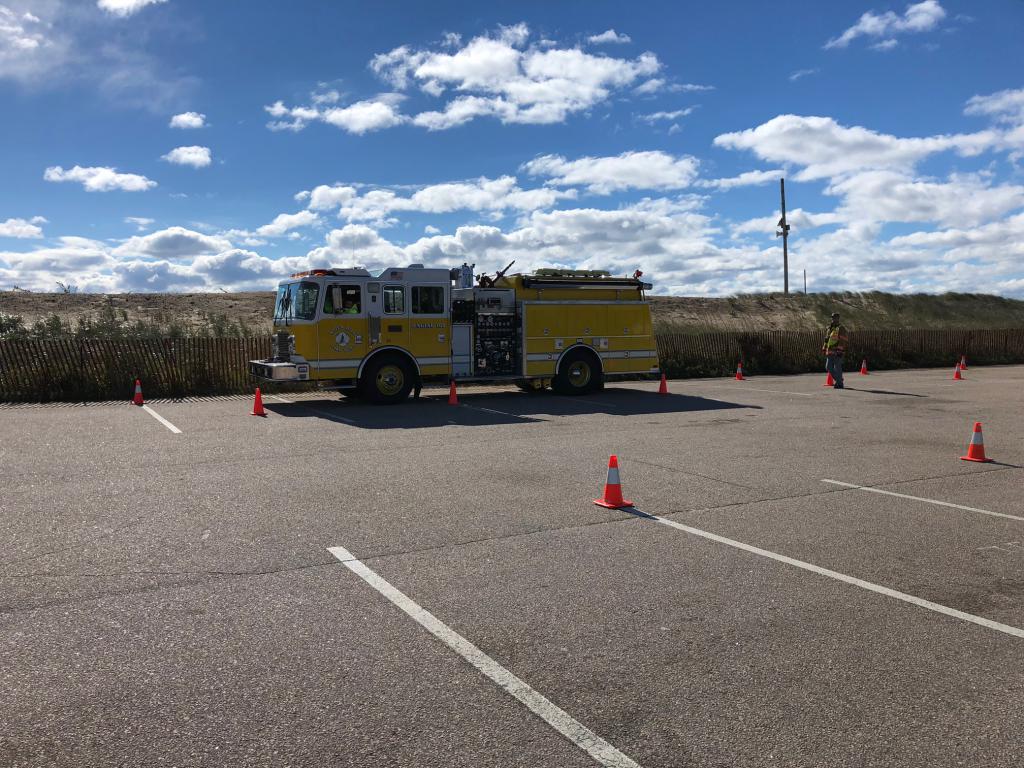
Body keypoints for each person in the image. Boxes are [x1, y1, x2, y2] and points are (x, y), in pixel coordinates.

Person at [822, 312, 848, 389]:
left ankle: (840, 384)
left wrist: (840, 350)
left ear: (838, 318)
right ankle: (839, 379)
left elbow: (843, 340)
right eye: (832, 317)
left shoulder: (841, 328)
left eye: (835, 317)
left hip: (837, 351)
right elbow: (826, 339)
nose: (833, 319)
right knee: (828, 367)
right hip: (829, 351)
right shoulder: (829, 328)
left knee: (837, 367)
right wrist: (824, 347)